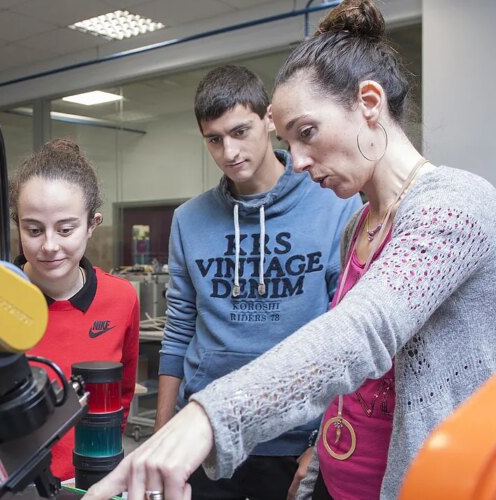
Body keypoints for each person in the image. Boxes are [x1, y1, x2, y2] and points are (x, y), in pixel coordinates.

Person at [83, 1, 496, 499]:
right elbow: (350, 379)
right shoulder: (358, 225)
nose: (298, 162)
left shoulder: (456, 207)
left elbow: (361, 332)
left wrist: (206, 419)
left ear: (369, 103)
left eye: (307, 133)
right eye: (292, 140)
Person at [154, 64, 360, 500]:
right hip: (207, 434)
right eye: (214, 139)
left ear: (269, 120)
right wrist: (161, 436)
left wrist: (322, 445)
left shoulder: (333, 205)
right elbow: (177, 332)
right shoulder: (188, 220)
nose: (229, 151)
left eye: (240, 131)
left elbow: (350, 337)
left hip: (296, 438)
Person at [0, 139, 140, 481]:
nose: (48, 245)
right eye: (33, 229)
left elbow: (120, 393)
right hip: (2, 486)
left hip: (86, 483)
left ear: (92, 223)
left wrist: (100, 460)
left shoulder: (121, 299)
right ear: (17, 225)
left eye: (65, 229)